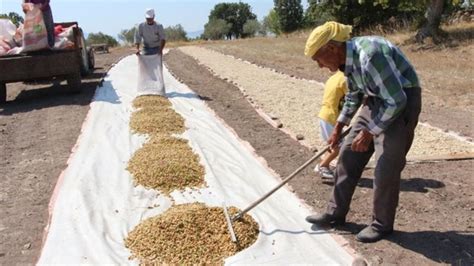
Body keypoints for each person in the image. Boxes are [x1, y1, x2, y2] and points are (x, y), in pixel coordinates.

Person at [304, 21, 422, 243]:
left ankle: (381, 225)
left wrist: (370, 132)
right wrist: (339, 126)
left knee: (386, 166)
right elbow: (354, 94)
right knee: (348, 154)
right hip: (376, 99)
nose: (319, 65)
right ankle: (335, 213)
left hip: (402, 99)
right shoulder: (347, 62)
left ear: (331, 48)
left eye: (317, 58)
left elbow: (396, 100)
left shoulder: (370, 55)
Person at [314, 70, 347, 180]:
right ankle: (322, 166)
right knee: (339, 147)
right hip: (331, 117)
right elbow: (353, 97)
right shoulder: (345, 79)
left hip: (325, 114)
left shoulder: (334, 77)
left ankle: (325, 164)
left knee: (332, 145)